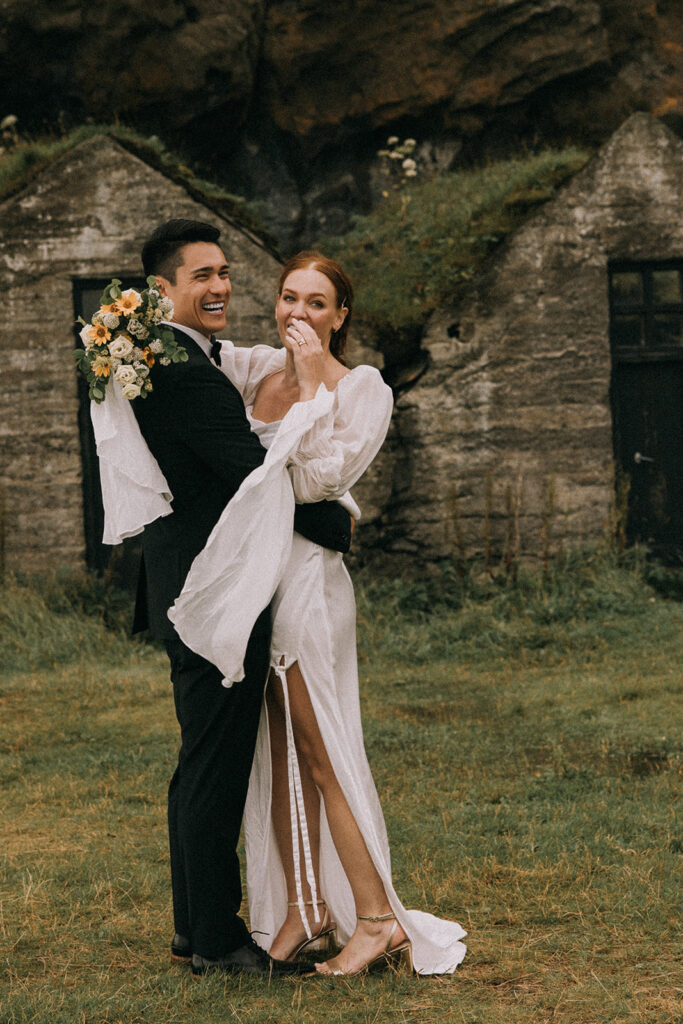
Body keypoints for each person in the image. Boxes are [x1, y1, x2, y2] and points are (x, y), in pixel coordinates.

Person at [169, 252, 468, 976]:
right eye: (287, 298)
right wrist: (120, 328)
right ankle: (304, 908)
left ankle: (374, 922)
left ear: (339, 316)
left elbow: (320, 478)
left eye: (315, 303)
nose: (297, 314)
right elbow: (186, 341)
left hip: (306, 581)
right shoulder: (251, 371)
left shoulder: (359, 387)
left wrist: (307, 389)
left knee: (321, 752)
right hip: (255, 584)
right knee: (276, 755)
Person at [128, 220, 353, 979]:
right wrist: (336, 522)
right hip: (213, 586)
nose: (220, 285)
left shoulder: (167, 355)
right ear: (163, 290)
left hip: (186, 578)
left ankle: (194, 929)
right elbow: (249, 475)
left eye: (224, 272)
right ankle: (220, 941)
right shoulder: (182, 371)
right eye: (201, 276)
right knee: (216, 763)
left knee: (199, 759)